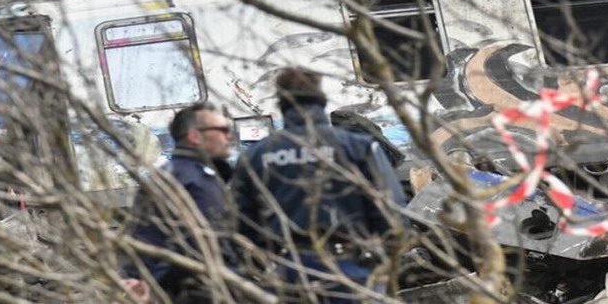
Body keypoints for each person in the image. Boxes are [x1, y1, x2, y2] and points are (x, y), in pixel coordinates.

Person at [232, 67, 406, 302]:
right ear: (321, 101)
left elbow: (242, 223)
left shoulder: (257, 156)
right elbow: (391, 214)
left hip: (289, 272)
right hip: (351, 270)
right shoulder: (359, 148)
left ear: (282, 104)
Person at [127, 103, 238, 302]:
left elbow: (139, 236)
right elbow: (203, 246)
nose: (228, 136)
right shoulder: (198, 180)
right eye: (222, 130)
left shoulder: (162, 175)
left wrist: (139, 279)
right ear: (195, 137)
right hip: (198, 291)